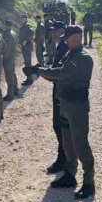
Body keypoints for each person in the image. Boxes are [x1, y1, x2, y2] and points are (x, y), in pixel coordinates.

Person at [26, 26, 95, 199]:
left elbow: (62, 73)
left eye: (68, 37)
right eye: (64, 38)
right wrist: (40, 71)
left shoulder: (83, 58)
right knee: (67, 141)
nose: (65, 40)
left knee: (80, 143)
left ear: (78, 36)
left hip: (77, 106)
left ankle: (89, 182)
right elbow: (55, 76)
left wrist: (39, 70)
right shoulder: (69, 54)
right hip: (65, 104)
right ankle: (70, 175)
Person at [46, 21, 70, 174]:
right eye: (53, 31)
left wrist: (41, 71)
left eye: (57, 31)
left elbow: (59, 73)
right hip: (59, 91)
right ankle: (64, 157)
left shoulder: (65, 47)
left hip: (63, 93)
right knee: (59, 126)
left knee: (61, 126)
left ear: (63, 31)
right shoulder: (60, 46)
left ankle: (64, 159)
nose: (54, 34)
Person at [2, 20, 19, 101]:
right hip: (13, 55)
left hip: (8, 57)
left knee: (9, 75)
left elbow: (7, 48)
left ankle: (10, 94)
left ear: (6, 25)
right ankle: (15, 90)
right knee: (12, 73)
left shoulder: (8, 34)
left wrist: (4, 58)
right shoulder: (14, 32)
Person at [18, 15, 34, 86]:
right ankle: (29, 78)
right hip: (25, 47)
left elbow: (31, 33)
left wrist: (25, 40)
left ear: (25, 19)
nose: (20, 20)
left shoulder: (27, 26)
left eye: (21, 18)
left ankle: (30, 79)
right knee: (27, 62)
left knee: (28, 63)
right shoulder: (24, 26)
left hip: (27, 46)